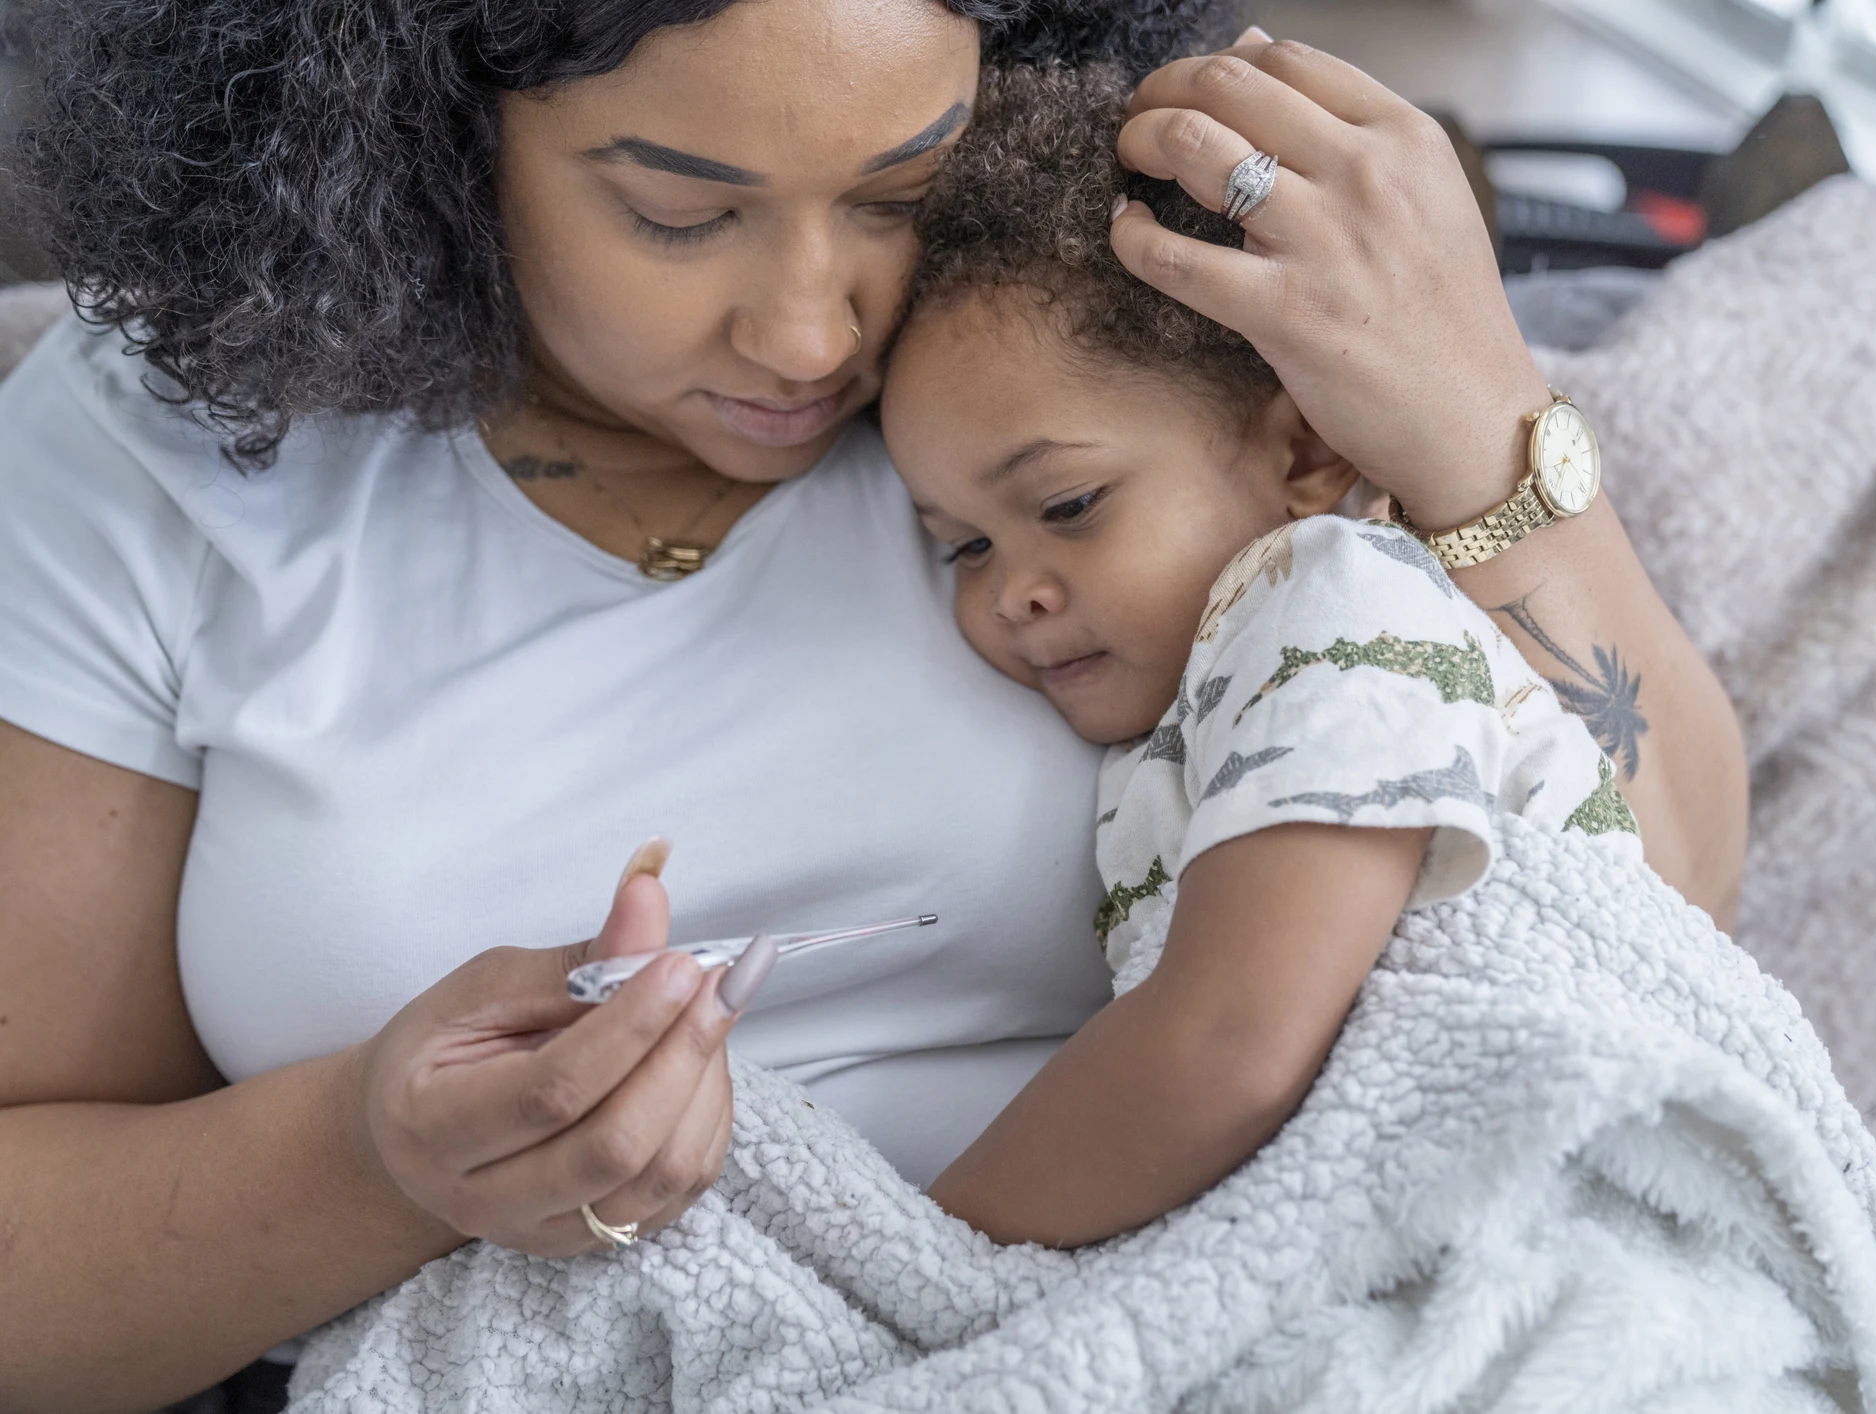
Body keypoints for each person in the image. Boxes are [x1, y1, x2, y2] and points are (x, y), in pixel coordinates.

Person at [0, 0, 1746, 1408]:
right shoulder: (160, 452)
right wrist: (383, 1158)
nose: (810, 333)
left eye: (900, 190)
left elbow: (1643, 929)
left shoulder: (1090, 363)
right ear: (420, 131)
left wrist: (1479, 416)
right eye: (679, 210)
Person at [877, 64, 1643, 1247]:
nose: (1013, 592)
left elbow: (1231, 1047)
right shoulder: (1194, 698)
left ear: (1301, 458)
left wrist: (915, 1259)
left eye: (1070, 503)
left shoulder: (1329, 604)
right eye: (963, 545)